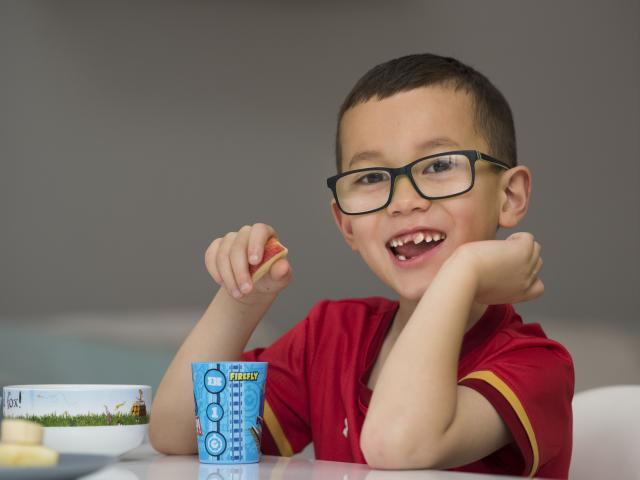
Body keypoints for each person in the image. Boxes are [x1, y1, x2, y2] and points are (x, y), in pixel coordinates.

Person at [149, 53, 574, 478]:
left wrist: (465, 271)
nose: (405, 201)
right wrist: (241, 297)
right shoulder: (331, 337)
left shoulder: (537, 365)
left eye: (440, 165)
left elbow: (397, 444)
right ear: (345, 224)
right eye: (371, 178)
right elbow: (178, 434)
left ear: (510, 197)